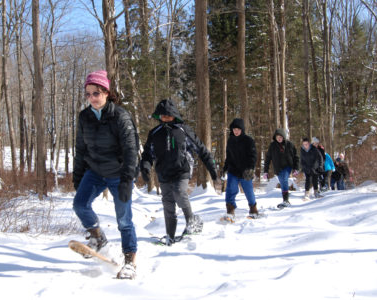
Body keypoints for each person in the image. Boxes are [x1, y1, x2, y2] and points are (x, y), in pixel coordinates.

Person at [72, 70, 139, 279]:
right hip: (95, 171)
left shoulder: (120, 116)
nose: (92, 98)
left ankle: (130, 261)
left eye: (96, 93)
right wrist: (78, 176)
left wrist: (128, 180)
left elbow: (131, 150)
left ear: (106, 93)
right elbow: (81, 149)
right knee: (80, 205)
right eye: (88, 94)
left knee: (124, 220)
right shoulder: (84, 117)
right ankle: (98, 237)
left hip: (119, 174)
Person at [140, 99, 217, 246]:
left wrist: (211, 167)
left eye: (169, 115)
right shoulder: (155, 133)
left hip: (182, 170)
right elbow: (147, 154)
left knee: (179, 193)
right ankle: (170, 236)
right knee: (168, 204)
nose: (166, 118)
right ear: (159, 117)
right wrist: (145, 167)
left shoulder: (184, 130)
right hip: (163, 173)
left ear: (174, 115)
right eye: (163, 116)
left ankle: (192, 223)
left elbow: (201, 149)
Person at [222, 118, 258, 219]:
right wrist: (225, 168)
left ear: (242, 129)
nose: (236, 131)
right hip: (233, 170)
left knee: (248, 190)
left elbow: (253, 156)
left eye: (238, 129)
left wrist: (251, 168)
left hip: (246, 170)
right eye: (234, 129)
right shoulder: (230, 141)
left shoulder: (248, 141)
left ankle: (253, 208)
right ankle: (230, 209)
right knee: (230, 189)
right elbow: (228, 156)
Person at [263, 128, 299, 209]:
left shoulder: (289, 145)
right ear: (275, 137)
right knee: (282, 182)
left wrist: (296, 168)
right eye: (277, 137)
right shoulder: (272, 146)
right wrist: (265, 171)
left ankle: (286, 200)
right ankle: (285, 200)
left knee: (284, 179)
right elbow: (268, 158)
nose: (279, 138)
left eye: (281, 137)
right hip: (278, 168)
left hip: (288, 166)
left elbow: (296, 157)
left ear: (283, 137)